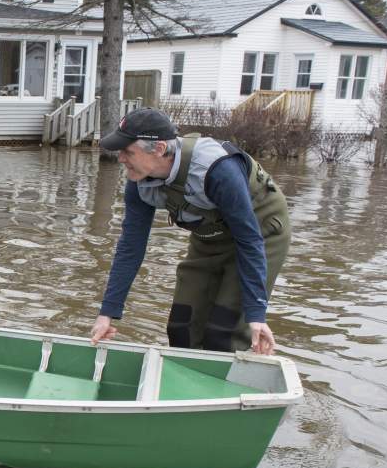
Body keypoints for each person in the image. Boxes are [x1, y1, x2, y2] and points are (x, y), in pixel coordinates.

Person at [91, 108, 291, 355]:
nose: (120, 158)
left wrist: (257, 314)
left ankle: (224, 387)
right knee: (181, 327)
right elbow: (131, 246)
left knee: (223, 332)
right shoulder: (139, 182)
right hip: (209, 236)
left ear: (160, 149)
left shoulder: (217, 170)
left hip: (261, 232)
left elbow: (249, 239)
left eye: (128, 151)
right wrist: (107, 313)